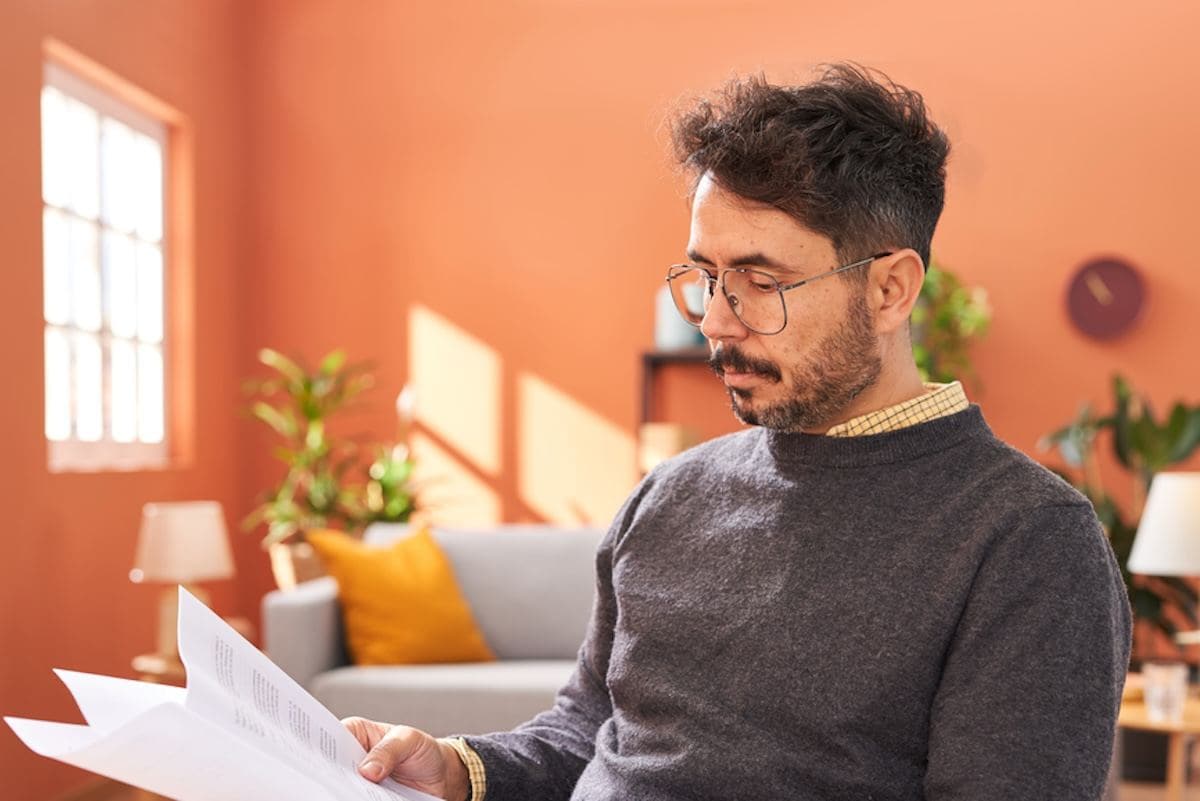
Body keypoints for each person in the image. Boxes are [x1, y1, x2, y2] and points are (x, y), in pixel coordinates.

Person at [344, 63, 1132, 801]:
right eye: (707, 277)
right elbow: (590, 729)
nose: (717, 321)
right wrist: (454, 768)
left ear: (890, 288)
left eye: (763, 282)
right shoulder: (671, 493)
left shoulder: (1027, 540)